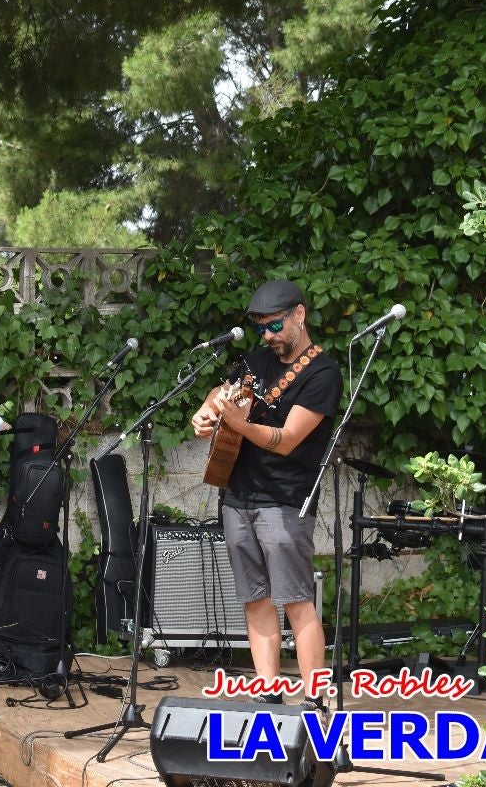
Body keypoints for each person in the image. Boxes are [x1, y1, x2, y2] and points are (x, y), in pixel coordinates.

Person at [192, 280, 342, 705]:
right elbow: (222, 392)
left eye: (275, 325)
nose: (268, 335)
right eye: (261, 328)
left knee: (296, 600)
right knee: (255, 599)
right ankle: (267, 692)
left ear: (300, 314)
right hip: (238, 494)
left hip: (284, 499)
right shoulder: (258, 360)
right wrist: (207, 411)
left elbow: (287, 439)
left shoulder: (323, 373)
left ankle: (315, 700)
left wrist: (239, 424)